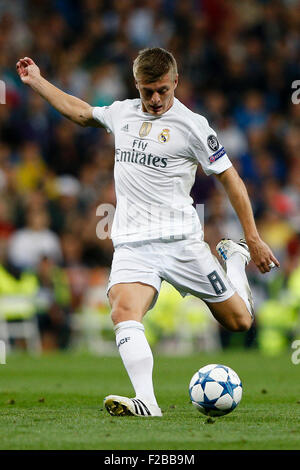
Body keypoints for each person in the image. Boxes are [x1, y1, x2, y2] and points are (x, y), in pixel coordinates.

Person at [16, 48, 279, 418]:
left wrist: (251, 238)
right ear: (136, 85)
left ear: (175, 83)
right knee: (123, 310)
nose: (155, 99)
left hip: (181, 242)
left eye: (162, 90)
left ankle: (232, 258)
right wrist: (38, 81)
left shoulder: (193, 126)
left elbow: (231, 180)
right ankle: (147, 402)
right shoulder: (122, 112)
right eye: (146, 91)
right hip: (132, 244)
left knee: (239, 322)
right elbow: (80, 112)